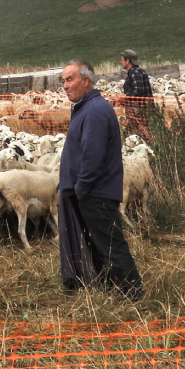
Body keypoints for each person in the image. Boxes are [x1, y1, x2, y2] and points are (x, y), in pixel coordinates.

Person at [58, 59, 143, 301]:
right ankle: (112, 288)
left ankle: (132, 292)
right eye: (63, 81)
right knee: (99, 242)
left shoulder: (94, 112)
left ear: (85, 81)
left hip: (96, 192)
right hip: (92, 191)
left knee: (110, 242)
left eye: (70, 79)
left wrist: (82, 188)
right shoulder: (88, 108)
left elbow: (92, 157)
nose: (65, 86)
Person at [120, 49, 155, 139]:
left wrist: (124, 98)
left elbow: (138, 90)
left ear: (128, 61)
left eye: (122, 60)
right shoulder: (137, 71)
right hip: (139, 112)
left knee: (141, 136)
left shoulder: (135, 72)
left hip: (140, 112)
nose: (121, 62)